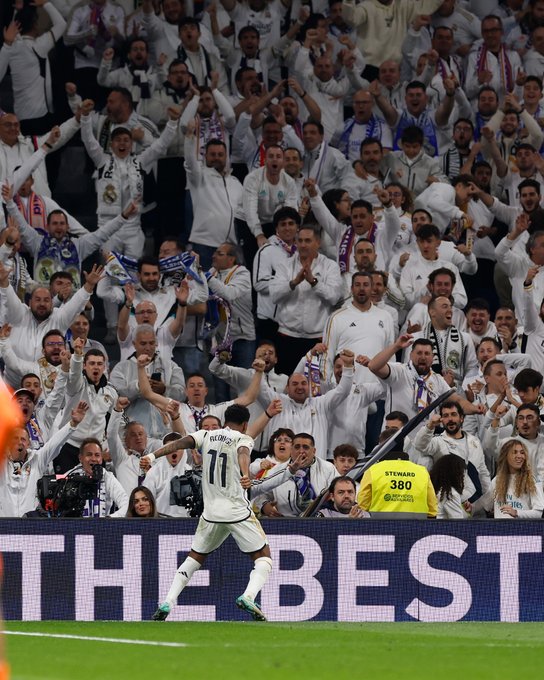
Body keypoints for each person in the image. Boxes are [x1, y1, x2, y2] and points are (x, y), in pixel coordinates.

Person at [145, 404, 272, 622]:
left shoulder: (206, 435)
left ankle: (167, 601)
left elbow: (180, 443)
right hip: (236, 511)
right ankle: (249, 596)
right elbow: (243, 452)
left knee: (194, 557)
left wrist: (152, 456)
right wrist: (245, 473)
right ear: (245, 425)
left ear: (225, 421)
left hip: (211, 512)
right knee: (263, 557)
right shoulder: (243, 438)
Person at [471, 440, 544, 518]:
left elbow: (538, 513)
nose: (519, 456)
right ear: (505, 456)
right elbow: (484, 504)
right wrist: (471, 507)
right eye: (515, 452)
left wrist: (516, 513)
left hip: (521, 526)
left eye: (522, 453)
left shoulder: (532, 481)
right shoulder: (497, 480)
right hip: (499, 526)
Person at [357, 448, 438, 519]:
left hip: (380, 528)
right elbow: (432, 509)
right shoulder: (422, 471)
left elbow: (362, 505)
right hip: (416, 528)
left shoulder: (372, 470)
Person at [430, 454, 470, 519]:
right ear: (454, 473)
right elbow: (458, 522)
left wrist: (463, 508)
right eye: (461, 472)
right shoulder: (451, 494)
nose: (463, 476)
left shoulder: (439, 490)